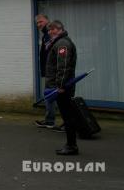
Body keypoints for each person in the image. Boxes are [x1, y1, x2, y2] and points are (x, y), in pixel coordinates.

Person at [45, 20, 79, 155]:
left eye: (52, 29)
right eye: (49, 30)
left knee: (68, 116)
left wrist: (60, 86)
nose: (50, 32)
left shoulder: (62, 43)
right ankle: (71, 144)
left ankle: (71, 146)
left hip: (63, 88)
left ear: (59, 29)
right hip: (62, 86)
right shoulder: (60, 42)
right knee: (67, 116)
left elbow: (63, 67)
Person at [34, 14, 62, 130]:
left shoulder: (49, 35)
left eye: (41, 21)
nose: (39, 24)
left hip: (53, 72)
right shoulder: (45, 35)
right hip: (50, 71)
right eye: (37, 23)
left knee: (52, 96)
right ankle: (50, 120)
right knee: (51, 96)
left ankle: (51, 121)